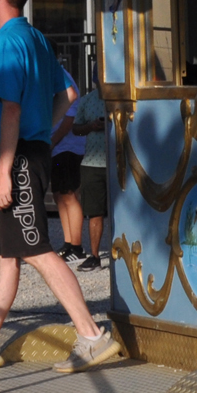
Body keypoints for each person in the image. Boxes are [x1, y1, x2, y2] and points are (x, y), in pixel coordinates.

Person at [0, 0, 124, 375]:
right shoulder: (36, 38)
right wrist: (43, 132)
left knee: (37, 250)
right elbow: (68, 94)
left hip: (16, 157)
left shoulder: (7, 42)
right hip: (29, 151)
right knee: (9, 254)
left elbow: (10, 109)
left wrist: (6, 170)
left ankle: (91, 336)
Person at [70, 78, 110, 270]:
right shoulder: (87, 100)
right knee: (94, 212)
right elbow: (76, 129)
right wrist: (92, 126)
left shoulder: (120, 99)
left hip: (117, 161)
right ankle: (94, 255)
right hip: (93, 162)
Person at [47, 67, 86, 259]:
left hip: (67, 147)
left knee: (69, 194)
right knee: (59, 195)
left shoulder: (62, 77)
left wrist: (53, 141)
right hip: (57, 148)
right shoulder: (49, 75)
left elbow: (69, 118)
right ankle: (68, 242)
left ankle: (77, 246)